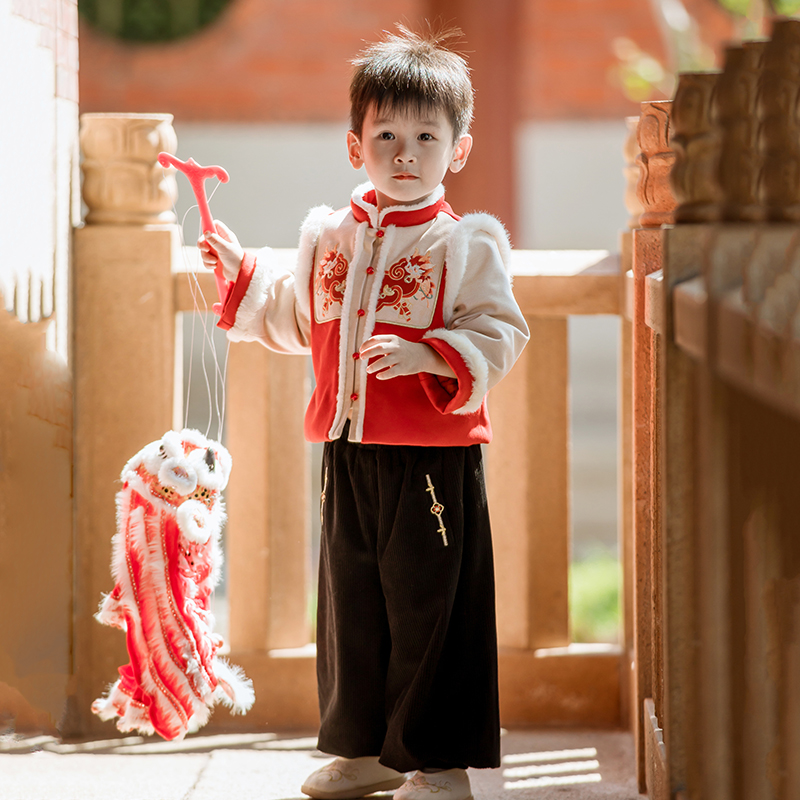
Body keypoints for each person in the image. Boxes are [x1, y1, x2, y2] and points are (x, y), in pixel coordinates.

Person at [199, 24, 529, 800]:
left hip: (431, 461)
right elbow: (299, 317)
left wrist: (431, 354)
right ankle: (367, 751)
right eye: (385, 133)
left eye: (426, 135)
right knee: (351, 600)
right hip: (348, 451)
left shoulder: (465, 245)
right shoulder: (330, 237)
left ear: (460, 149)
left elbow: (501, 329)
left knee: (429, 607)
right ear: (355, 146)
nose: (405, 152)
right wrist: (243, 272)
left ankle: (440, 766)